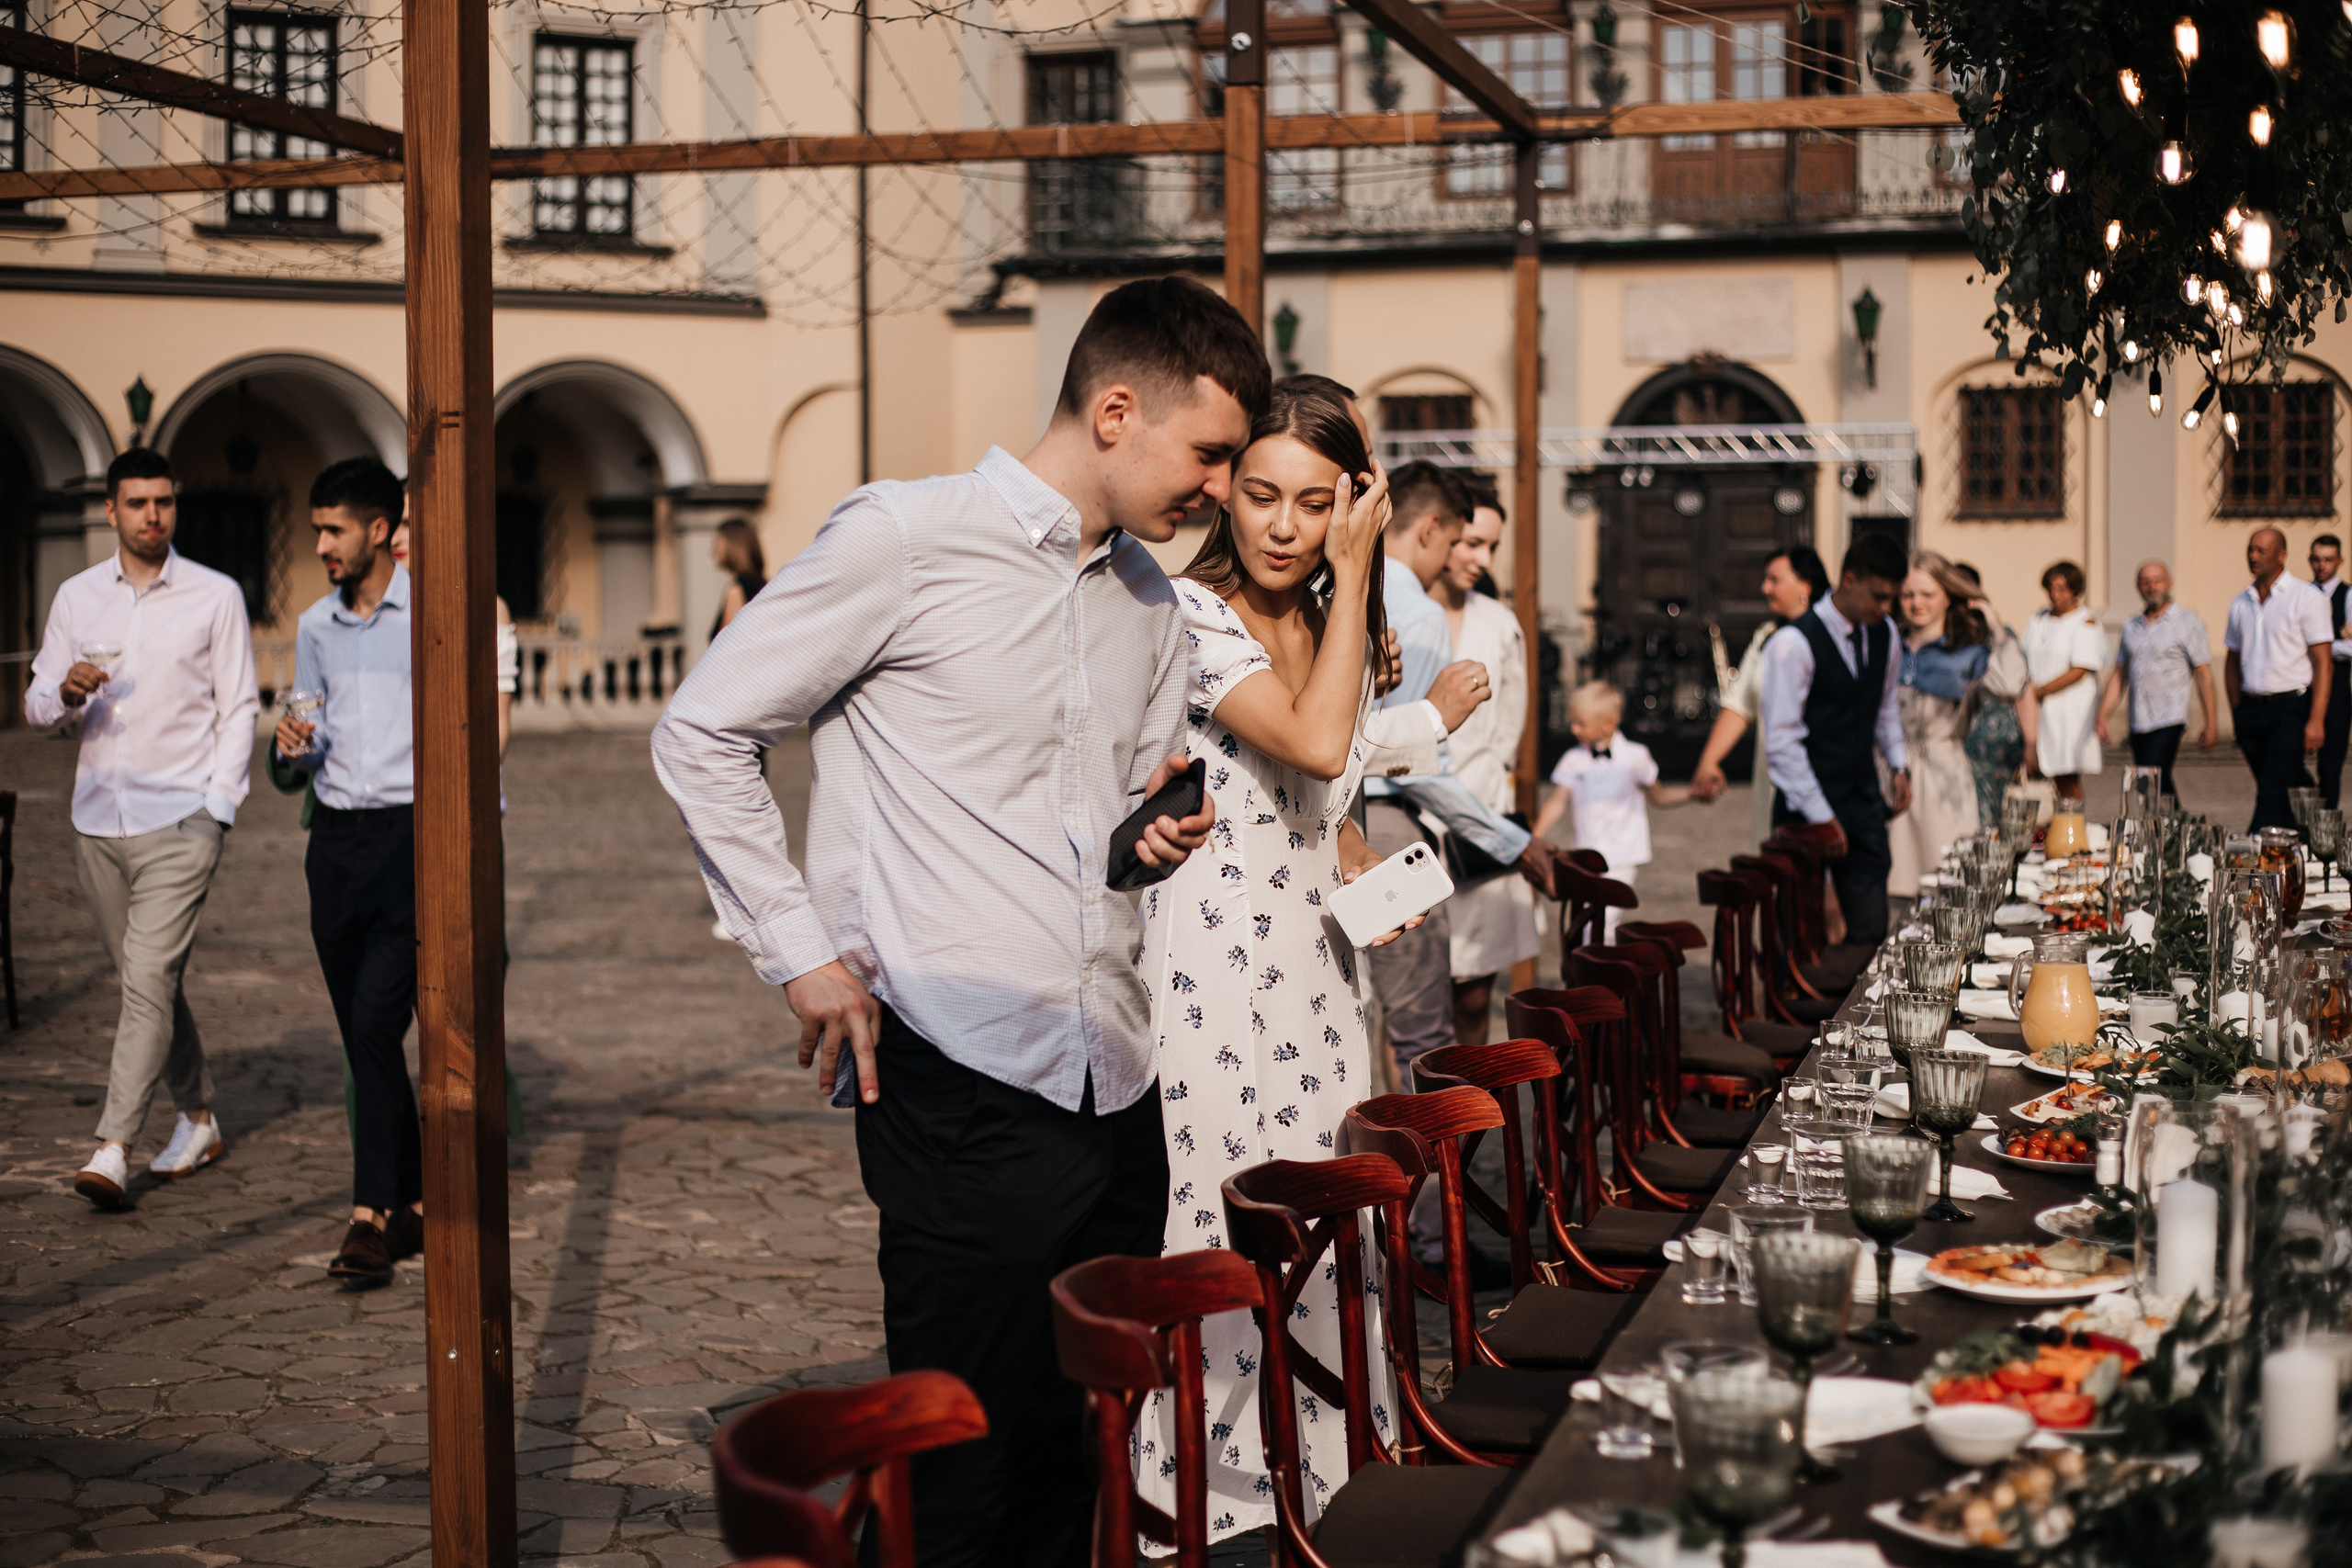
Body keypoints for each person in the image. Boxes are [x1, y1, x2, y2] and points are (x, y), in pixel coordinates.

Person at [650, 275, 1245, 1568]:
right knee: (955, 1475)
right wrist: (800, 951)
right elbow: (702, 728)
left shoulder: (1151, 598)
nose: (1222, 485)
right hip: (962, 1073)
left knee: (1074, 1460)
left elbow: (1107, 834)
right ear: (1117, 409)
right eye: (1209, 452)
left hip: (1117, 1083)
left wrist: (1150, 836)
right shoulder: (905, 538)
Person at [1133, 380, 1403, 1542]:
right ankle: (1212, 1503)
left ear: (1350, 497)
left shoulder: (1344, 622)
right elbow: (1315, 735)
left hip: (1325, 984)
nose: (1286, 526)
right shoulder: (1189, 614)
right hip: (1211, 978)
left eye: (1313, 501)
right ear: (1225, 497)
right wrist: (1358, 580)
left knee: (1329, 1223)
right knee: (1222, 1218)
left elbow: (1330, 790)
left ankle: (1325, 1476)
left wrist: (1364, 866)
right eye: (1260, 496)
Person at [26, 448, 257, 1209]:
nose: (152, 515)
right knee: (146, 983)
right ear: (112, 511)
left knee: (148, 979)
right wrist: (63, 692)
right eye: (137, 503)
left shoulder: (214, 595)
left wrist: (218, 806)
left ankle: (113, 1145)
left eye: (164, 502)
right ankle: (198, 1117)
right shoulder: (78, 597)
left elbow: (240, 705)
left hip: (181, 820)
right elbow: (34, 705)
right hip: (98, 819)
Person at [1362, 460, 1561, 1094]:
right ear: (1430, 531)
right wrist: (1513, 841)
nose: (1464, 557)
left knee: (1362, 1015)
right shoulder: (1414, 612)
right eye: (1459, 542)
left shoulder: (1341, 589)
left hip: (1343, 822)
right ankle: (1426, 1190)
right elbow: (1407, 760)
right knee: (1423, 1031)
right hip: (1392, 828)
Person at [274, 457, 425, 1283]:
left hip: (408, 838)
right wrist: (293, 743)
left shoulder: (429, 615)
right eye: (316, 530)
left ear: (378, 529)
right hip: (333, 844)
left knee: (374, 1028)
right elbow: (308, 724)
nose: (322, 544)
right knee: (361, 1035)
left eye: (333, 529)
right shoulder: (313, 627)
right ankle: (413, 1197)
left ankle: (370, 1216)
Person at [1758, 532, 1912, 948]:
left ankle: (1857, 1013)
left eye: (1891, 599)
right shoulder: (1792, 643)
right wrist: (1821, 816)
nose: (1886, 608)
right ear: (1849, 579)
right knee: (1801, 934)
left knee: (1869, 929)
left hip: (1862, 801)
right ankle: (1797, 1012)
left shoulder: (1886, 635)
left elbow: (1884, 708)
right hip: (1805, 807)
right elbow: (1782, 742)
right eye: (1878, 596)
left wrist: (1898, 764)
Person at [1434, 476, 1538, 1043]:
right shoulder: (1389, 609)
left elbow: (1509, 729)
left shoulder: (1499, 623)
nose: (1482, 558)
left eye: (1492, 548)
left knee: (1474, 994)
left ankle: (1467, 1116)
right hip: (1411, 823)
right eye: (1472, 542)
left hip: (1480, 819)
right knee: (1409, 998)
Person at [1690, 547, 1831, 854]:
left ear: (1805, 585)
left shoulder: (1832, 636)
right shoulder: (1766, 635)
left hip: (1819, 775)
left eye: (1774, 580)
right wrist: (1709, 760)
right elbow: (1740, 704)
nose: (1765, 588)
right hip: (1771, 777)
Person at [1532, 680, 1690, 931]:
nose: (1573, 729)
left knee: (1604, 919)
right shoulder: (1573, 760)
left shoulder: (1635, 757)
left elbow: (1659, 795)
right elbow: (1557, 802)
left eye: (1581, 724)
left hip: (1622, 857)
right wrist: (1535, 836)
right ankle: (1598, 965)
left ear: (1608, 723)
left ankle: (1599, 965)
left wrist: (1692, 793)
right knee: (1584, 921)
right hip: (1585, 857)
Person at [1888, 553, 1993, 898]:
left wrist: (1994, 623)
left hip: (1943, 772)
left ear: (1948, 595)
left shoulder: (1969, 650)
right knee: (1894, 885)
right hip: (1892, 770)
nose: (1916, 603)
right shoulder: (1889, 644)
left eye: (1927, 594)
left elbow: (2012, 685)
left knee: (1949, 882)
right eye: (1908, 595)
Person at [2225, 525, 2335, 831]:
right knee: (2284, 780)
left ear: (2281, 554)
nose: (2253, 556)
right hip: (2251, 708)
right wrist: (2237, 710)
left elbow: (2323, 664)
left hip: (2291, 706)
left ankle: (2251, 850)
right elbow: (2231, 661)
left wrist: (2316, 719)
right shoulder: (2241, 602)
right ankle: (2313, 829)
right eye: (2251, 549)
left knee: (2271, 788)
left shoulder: (2306, 597)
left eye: (2261, 550)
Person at [2096, 558, 2218, 800]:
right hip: (2139, 717)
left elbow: (2203, 673)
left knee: (2152, 776)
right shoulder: (2132, 626)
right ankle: (2171, 826)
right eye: (2146, 582)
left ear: (2169, 582)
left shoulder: (2187, 622)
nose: (2152, 587)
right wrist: (2103, 714)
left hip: (2169, 716)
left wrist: (2211, 721)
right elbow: (2120, 673)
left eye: (2157, 581)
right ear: (2138, 586)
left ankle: (2164, 828)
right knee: (2150, 781)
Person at [1951, 560, 2039, 829]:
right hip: (1960, 746)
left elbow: (2022, 690)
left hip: (2000, 746)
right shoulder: (1945, 639)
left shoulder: (2001, 635)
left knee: (1999, 818)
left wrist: (2031, 743)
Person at [2021, 561, 2107, 810]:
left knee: (2066, 773)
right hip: (2038, 708)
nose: (2055, 594)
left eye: (2062, 588)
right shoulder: (2039, 618)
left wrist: (2041, 690)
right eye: (2051, 588)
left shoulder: (2085, 622)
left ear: (2074, 590)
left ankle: (2072, 827)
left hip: (2068, 710)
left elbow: (2081, 668)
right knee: (2042, 770)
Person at [2310, 535, 2352, 807]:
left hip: (2336, 690)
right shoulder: (2301, 594)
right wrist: (2338, 642)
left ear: (2339, 561)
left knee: (2330, 765)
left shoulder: (2348, 594)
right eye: (2317, 559)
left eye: (2328, 559)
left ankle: (2325, 827)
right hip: (2304, 688)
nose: (2322, 565)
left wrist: (2317, 646)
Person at [709, 516, 766, 639]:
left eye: (717, 542)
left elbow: (727, 647)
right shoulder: (765, 586)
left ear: (733, 544)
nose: (713, 551)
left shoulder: (737, 591)